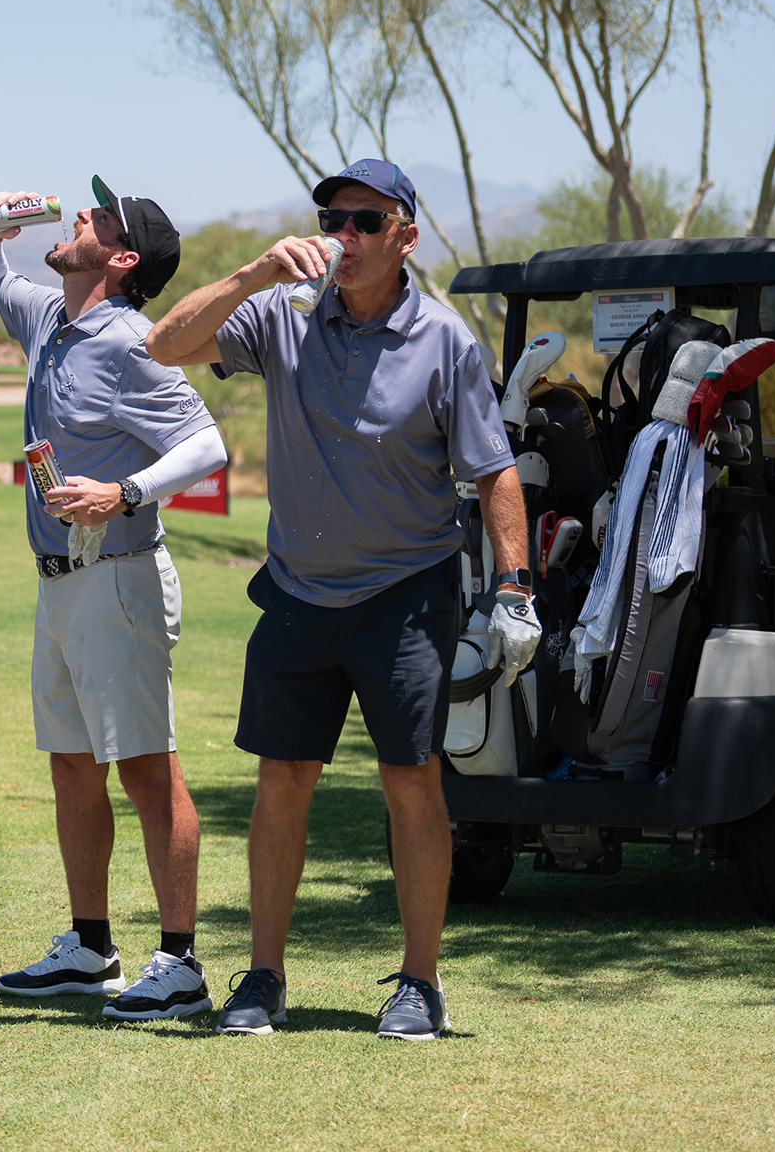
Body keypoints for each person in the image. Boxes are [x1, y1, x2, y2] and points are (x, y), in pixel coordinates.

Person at [145, 158, 541, 1041]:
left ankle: (420, 983)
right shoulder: (282, 318)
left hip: (405, 596)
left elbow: (493, 471)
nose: (345, 237)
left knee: (411, 783)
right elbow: (162, 345)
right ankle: (262, 978)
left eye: (365, 222)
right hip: (296, 593)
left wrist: (514, 589)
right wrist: (251, 273)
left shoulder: (444, 342)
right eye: (333, 219)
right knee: (282, 779)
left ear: (405, 234)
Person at [0, 181, 229, 1021]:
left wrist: (125, 490)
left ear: (121, 260)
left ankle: (181, 963)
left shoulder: (132, 343)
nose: (80, 217)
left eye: (99, 220)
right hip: (60, 584)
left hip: (118, 578)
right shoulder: (50, 317)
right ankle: (90, 948)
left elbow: (208, 444)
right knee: (73, 766)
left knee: (148, 771)